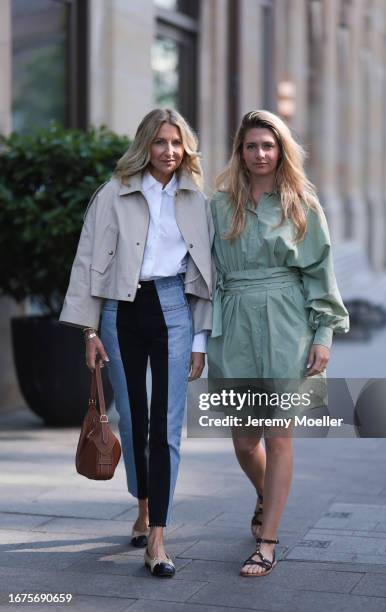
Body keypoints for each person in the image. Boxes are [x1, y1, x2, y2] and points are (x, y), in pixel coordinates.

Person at [60, 108, 214, 578]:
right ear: (145, 145)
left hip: (172, 310)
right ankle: (143, 506)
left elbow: (209, 276)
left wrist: (200, 339)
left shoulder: (196, 200)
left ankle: (160, 538)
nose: (170, 151)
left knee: (166, 428)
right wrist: (88, 330)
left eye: (177, 143)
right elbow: (88, 260)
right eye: (161, 142)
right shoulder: (113, 193)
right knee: (133, 420)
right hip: (119, 312)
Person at [207, 110, 349, 577]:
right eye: (252, 146)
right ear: (241, 152)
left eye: (268, 145)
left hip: (288, 323)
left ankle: (267, 541)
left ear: (281, 150)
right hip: (235, 321)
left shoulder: (300, 204)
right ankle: (267, 493)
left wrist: (323, 334)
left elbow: (320, 273)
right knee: (245, 440)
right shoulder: (220, 204)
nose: (260, 153)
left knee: (279, 435)